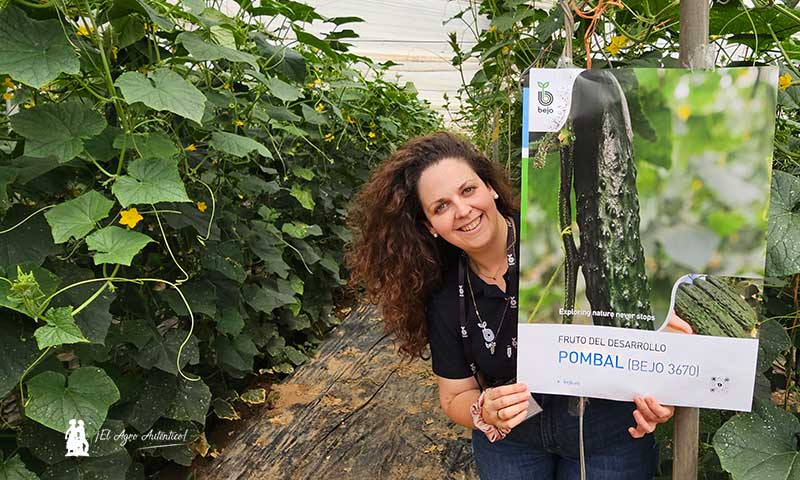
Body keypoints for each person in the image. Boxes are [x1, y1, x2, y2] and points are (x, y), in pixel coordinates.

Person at [346, 131, 684, 479]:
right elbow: (454, 396)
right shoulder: (443, 290)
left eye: (468, 190)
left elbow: (638, 316)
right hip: (512, 440)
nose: (462, 211)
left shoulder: (564, 239)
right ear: (430, 226)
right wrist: (484, 412)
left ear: (490, 187)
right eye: (441, 206)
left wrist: (657, 369)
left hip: (606, 430)